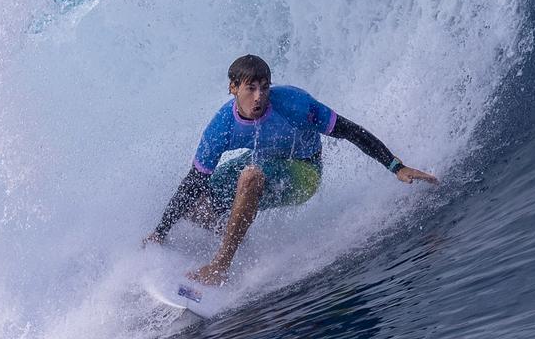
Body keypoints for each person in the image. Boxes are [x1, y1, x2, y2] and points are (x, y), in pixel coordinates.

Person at [144, 54, 437, 285]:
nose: (259, 96)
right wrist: (160, 232)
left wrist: (396, 166)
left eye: (264, 87)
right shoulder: (221, 126)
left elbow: (350, 131)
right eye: (251, 88)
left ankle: (221, 266)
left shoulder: (296, 104)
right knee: (196, 205)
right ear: (233, 88)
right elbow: (193, 181)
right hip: (262, 160)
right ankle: (237, 236)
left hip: (303, 172)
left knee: (250, 177)